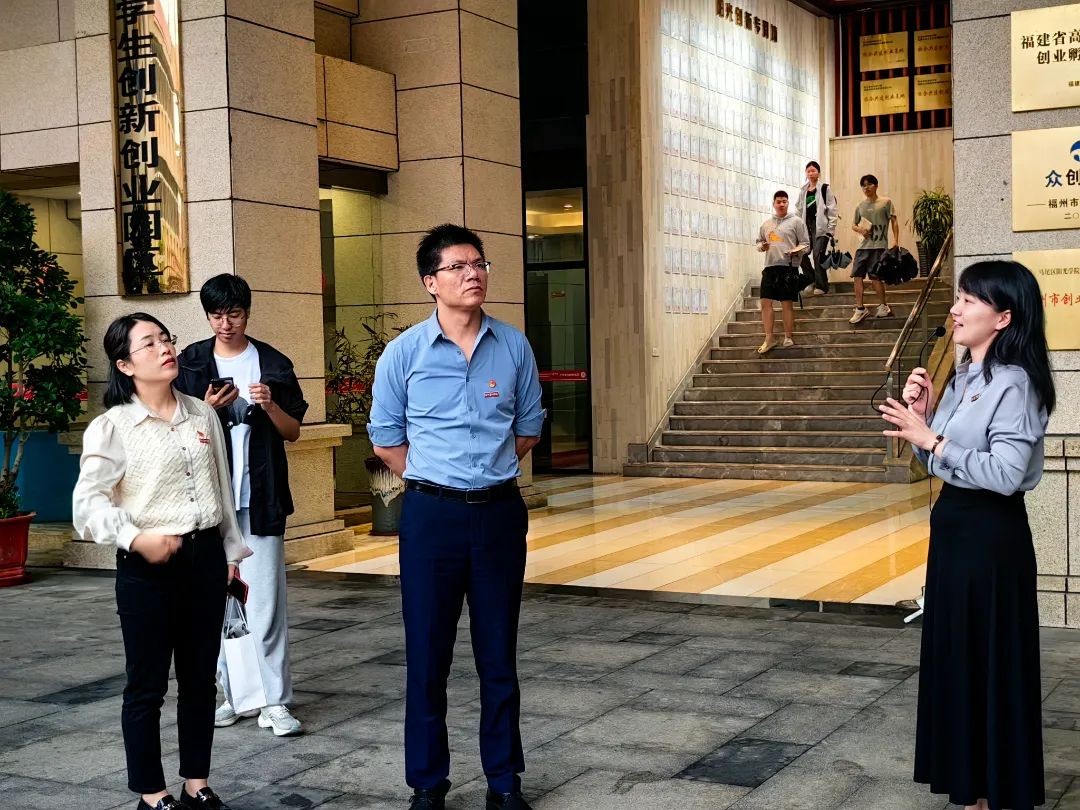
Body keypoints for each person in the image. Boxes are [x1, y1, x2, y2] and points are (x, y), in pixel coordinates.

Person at [368, 224, 545, 810]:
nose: (474, 274)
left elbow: (527, 428)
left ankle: (504, 782)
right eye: (458, 266)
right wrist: (436, 477)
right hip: (430, 518)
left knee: (499, 655)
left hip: (498, 515)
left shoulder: (513, 346)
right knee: (427, 654)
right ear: (431, 282)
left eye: (479, 264)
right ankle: (428, 783)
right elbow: (386, 439)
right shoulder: (404, 353)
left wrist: (483, 469)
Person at [879, 260, 1054, 810]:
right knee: (960, 658)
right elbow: (940, 464)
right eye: (957, 298)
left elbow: (1005, 475)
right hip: (954, 533)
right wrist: (924, 418)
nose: (955, 310)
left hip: (990, 540)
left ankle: (995, 790)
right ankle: (972, 788)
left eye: (969, 301)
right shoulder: (964, 377)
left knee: (988, 659)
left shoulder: (1016, 384)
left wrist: (932, 438)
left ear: (1003, 317)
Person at [73, 313, 252, 810]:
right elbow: (86, 506)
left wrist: (230, 554)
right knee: (147, 685)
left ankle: (197, 784)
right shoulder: (112, 427)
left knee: (200, 680)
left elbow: (221, 489)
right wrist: (135, 537)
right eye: (148, 344)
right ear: (125, 365)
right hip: (147, 568)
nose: (165, 348)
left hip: (204, 559)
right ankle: (152, 795)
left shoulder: (202, 414)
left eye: (165, 339)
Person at [176, 274, 308, 738]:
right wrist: (207, 408)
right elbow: (174, 430)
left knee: (265, 604)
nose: (226, 324)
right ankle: (231, 693)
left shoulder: (272, 363)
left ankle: (274, 701)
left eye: (233, 314)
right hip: (208, 504)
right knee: (211, 602)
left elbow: (293, 431)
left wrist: (270, 406)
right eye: (216, 315)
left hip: (261, 500)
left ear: (247, 313)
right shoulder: (191, 362)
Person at [754, 190, 810, 354]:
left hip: (788, 266)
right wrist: (762, 246)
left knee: (786, 302)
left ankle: (788, 336)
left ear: (788, 203)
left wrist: (796, 251)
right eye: (778, 201)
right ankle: (769, 338)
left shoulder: (797, 222)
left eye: (784, 201)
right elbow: (758, 243)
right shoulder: (766, 224)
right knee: (765, 302)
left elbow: (806, 244)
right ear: (773, 204)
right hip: (770, 267)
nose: (781, 204)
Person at [849, 174, 898, 324]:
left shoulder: (886, 202)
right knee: (857, 276)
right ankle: (860, 308)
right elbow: (853, 225)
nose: (866, 188)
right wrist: (860, 230)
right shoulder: (860, 206)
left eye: (869, 184)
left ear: (876, 186)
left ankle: (883, 306)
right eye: (863, 185)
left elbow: (894, 221)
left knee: (875, 277)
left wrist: (896, 241)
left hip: (879, 246)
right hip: (863, 246)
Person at [795, 160, 838, 296]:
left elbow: (832, 210)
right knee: (800, 253)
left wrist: (831, 229)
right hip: (806, 227)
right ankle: (811, 279)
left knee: (817, 255)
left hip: (821, 227)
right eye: (808, 171)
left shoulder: (824, 188)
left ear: (818, 173)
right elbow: (798, 209)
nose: (811, 173)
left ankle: (822, 286)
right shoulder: (803, 190)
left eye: (813, 170)